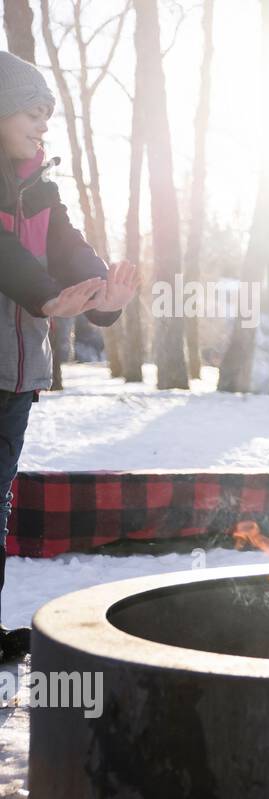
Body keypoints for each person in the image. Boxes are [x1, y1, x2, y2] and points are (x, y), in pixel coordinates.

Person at [0, 52, 136, 660]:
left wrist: (103, 294)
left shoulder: (40, 187)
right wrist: (49, 296)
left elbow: (70, 251)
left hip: (17, 376)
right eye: (32, 111)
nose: (42, 125)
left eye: (47, 115)